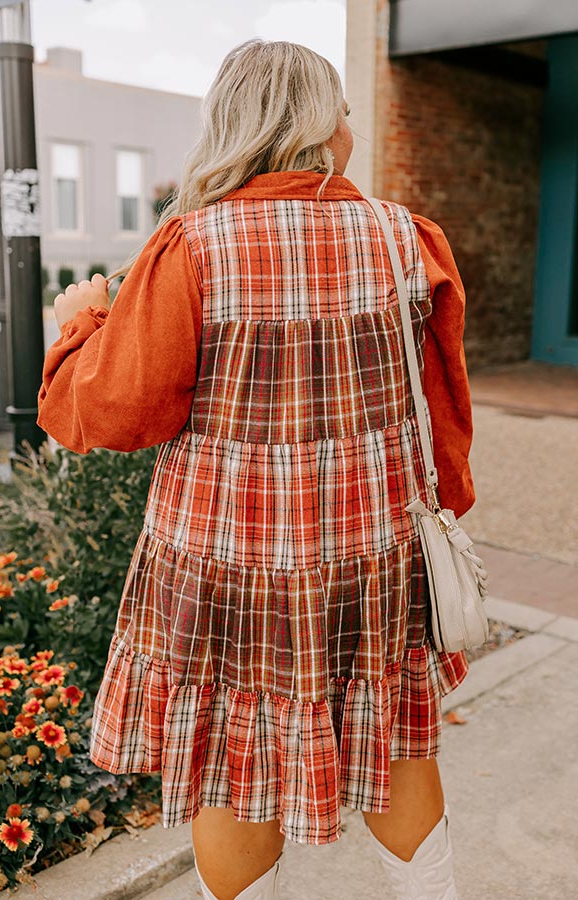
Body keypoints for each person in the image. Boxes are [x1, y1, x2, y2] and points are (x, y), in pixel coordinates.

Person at [37, 39, 475, 900]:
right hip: (369, 550)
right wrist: (444, 505)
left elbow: (110, 414)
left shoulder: (189, 248)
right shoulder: (405, 239)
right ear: (312, 124)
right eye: (343, 109)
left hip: (225, 562)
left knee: (230, 759)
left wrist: (78, 326)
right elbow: (443, 405)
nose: (350, 125)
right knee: (394, 735)